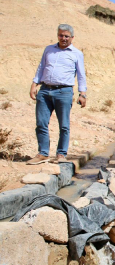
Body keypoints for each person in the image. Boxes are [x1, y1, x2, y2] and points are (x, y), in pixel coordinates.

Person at [28, 24, 87, 165]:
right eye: (61, 35)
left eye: (67, 36)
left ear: (72, 38)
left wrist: (82, 94)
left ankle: (61, 154)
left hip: (64, 92)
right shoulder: (49, 50)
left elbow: (81, 75)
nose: (63, 38)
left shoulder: (77, 53)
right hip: (44, 90)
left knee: (64, 125)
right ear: (57, 35)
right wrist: (34, 84)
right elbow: (41, 67)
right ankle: (43, 153)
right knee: (41, 123)